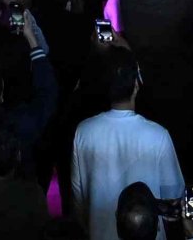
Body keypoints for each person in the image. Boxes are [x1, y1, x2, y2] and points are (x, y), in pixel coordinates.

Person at [68, 49, 182, 240]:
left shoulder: (84, 132)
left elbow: (78, 200)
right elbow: (174, 199)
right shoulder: (158, 136)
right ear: (136, 84)